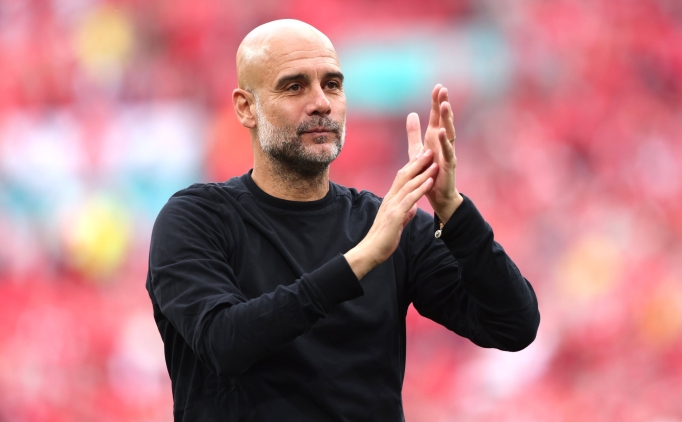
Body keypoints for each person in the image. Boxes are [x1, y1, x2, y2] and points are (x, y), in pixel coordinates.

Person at [146, 19, 540, 422]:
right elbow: (223, 343)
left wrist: (453, 210)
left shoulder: (390, 225)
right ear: (247, 107)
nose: (321, 103)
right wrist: (361, 259)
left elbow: (514, 326)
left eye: (332, 85)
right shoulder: (197, 219)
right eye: (294, 86)